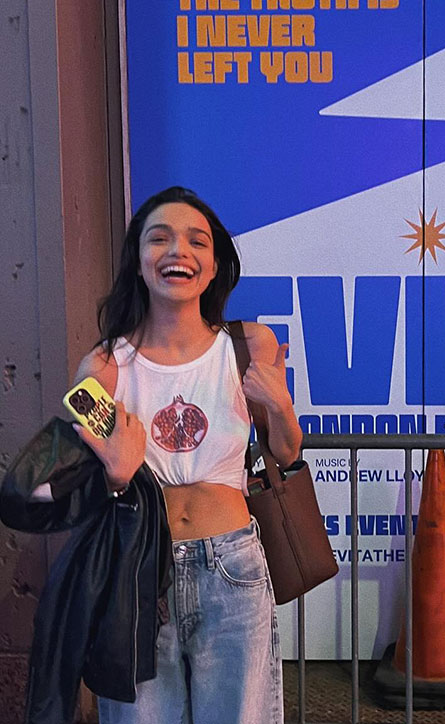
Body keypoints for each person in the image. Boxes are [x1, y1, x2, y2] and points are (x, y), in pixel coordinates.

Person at [75, 185, 301, 724]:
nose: (178, 251)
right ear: (138, 259)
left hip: (232, 567)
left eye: (196, 241)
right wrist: (115, 473)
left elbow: (286, 454)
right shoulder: (101, 369)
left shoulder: (250, 345)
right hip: (136, 573)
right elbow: (86, 488)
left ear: (214, 261)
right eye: (160, 238)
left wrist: (282, 406)